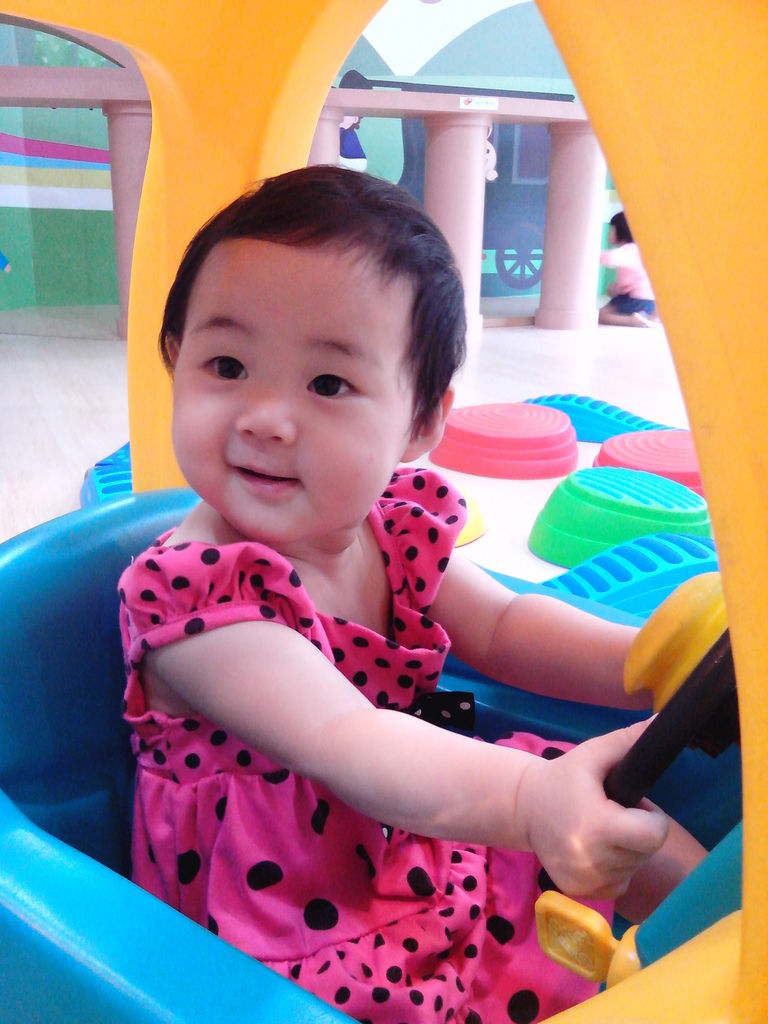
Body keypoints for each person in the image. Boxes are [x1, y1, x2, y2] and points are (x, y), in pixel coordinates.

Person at [118, 166, 703, 1024]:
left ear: (421, 423)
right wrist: (529, 804)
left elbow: (505, 628)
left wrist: (654, 664)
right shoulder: (193, 595)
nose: (265, 417)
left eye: (327, 384)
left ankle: (731, 940)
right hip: (282, 928)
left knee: (628, 818)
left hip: (411, 834)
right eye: (227, 365)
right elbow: (344, 738)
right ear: (176, 361)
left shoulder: (391, 526)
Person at [598, 210, 657, 327]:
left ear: (621, 230)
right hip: (644, 298)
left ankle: (631, 320)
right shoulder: (636, 249)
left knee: (600, 315)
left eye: (611, 230)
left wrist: (589, 254)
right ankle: (646, 316)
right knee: (612, 290)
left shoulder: (630, 250)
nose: (608, 233)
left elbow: (607, 258)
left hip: (636, 299)